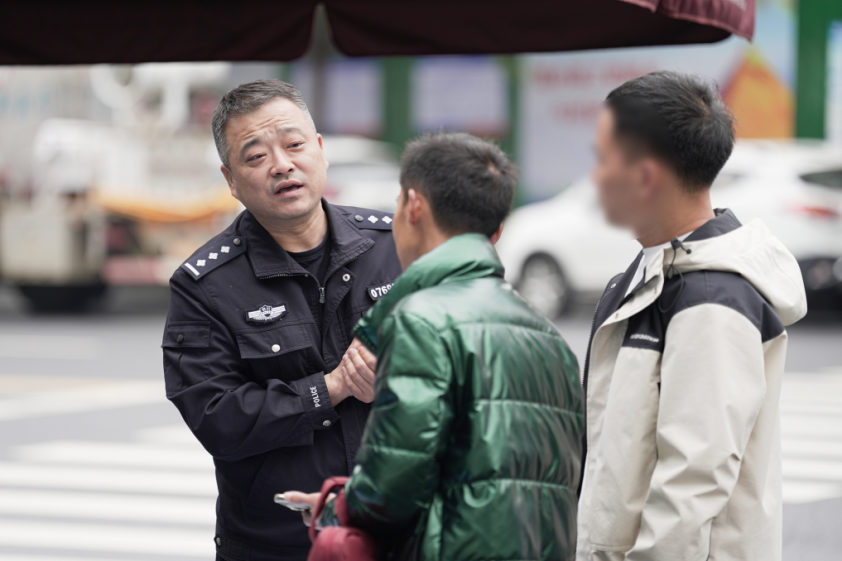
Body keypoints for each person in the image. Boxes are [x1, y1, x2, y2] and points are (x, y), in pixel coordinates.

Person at [285, 132, 584, 560]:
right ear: (496, 231)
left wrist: (337, 508)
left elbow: (391, 489)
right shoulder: (550, 339)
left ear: (414, 205)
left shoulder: (421, 320)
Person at [161, 80, 402, 561]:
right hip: (278, 544)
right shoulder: (203, 285)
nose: (281, 164)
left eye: (294, 145)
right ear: (231, 180)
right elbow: (217, 419)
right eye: (256, 156)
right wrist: (330, 388)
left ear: (320, 150)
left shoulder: (394, 246)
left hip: (399, 532)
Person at [576, 71, 808, 561]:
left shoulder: (710, 299)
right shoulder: (655, 270)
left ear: (645, 176)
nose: (594, 178)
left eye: (602, 159)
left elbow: (691, 486)